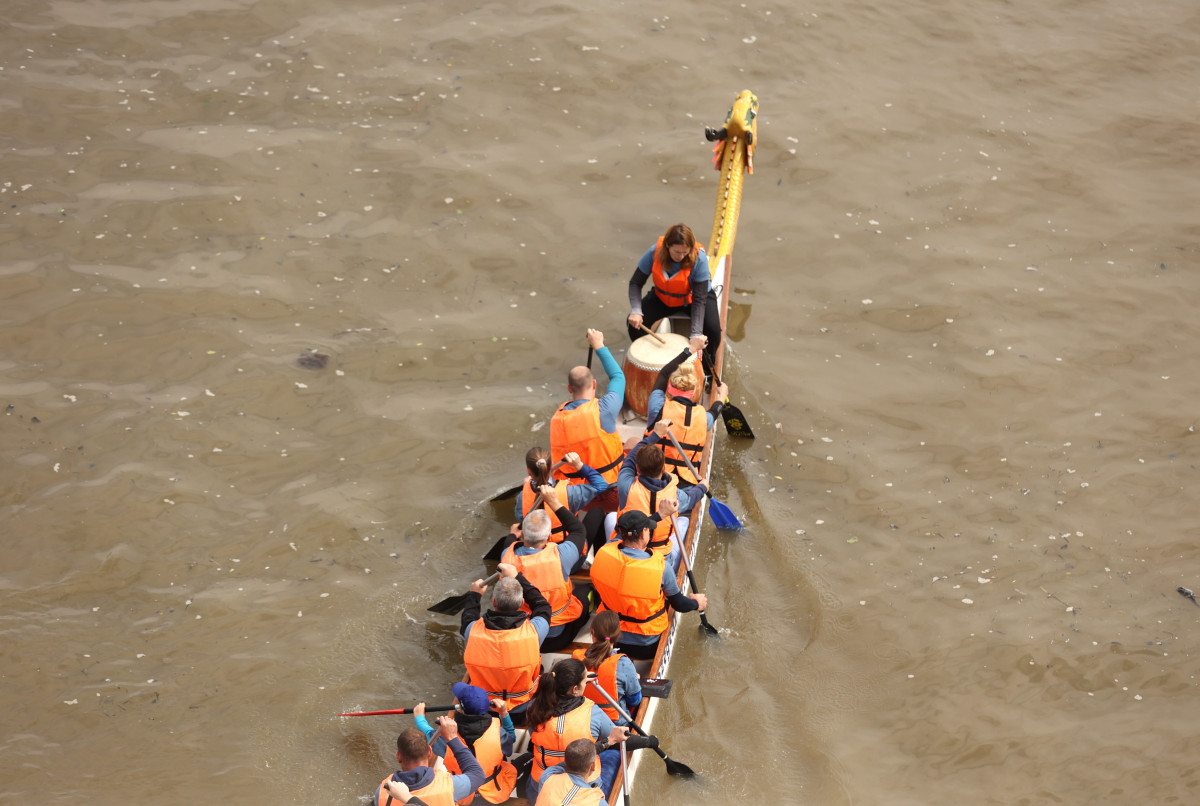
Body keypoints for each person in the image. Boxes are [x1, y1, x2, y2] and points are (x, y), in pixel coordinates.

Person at [524, 658, 653, 804]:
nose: (586, 683)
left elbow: (535, 735)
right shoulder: (592, 712)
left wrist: (582, 679)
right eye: (584, 681)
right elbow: (620, 739)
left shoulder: (534, 706)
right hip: (582, 790)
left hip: (539, 787)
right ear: (574, 689)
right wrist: (650, 742)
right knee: (615, 752)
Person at [590, 510, 709, 661]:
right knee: (664, 598)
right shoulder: (661, 567)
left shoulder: (603, 552)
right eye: (647, 529)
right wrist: (696, 603)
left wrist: (659, 514)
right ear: (642, 534)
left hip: (611, 638)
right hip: (646, 646)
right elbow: (679, 604)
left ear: (622, 532)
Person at [605, 420, 709, 571]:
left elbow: (630, 459)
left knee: (610, 517)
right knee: (684, 522)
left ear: (637, 469)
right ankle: (677, 572)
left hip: (627, 549)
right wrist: (702, 487)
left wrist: (655, 435)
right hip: (660, 558)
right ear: (664, 468)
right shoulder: (676, 496)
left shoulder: (625, 486)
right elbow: (692, 499)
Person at [460, 562, 551, 725]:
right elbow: (543, 606)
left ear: (493, 602)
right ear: (522, 601)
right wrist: (517, 577)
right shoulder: (534, 631)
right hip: (523, 709)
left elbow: (468, 617)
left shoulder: (471, 631)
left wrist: (474, 595)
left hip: (484, 708)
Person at [500, 495, 591, 653]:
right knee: (586, 591)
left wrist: (511, 535)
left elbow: (508, 544)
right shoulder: (562, 554)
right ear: (549, 537)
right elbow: (578, 529)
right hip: (558, 638)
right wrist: (554, 502)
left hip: (527, 637)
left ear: (523, 535)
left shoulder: (506, 558)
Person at [625, 223, 722, 366]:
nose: (681, 256)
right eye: (677, 252)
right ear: (667, 246)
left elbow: (699, 300)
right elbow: (635, 283)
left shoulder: (699, 259)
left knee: (713, 331)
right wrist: (636, 310)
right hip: (663, 298)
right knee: (633, 324)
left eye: (685, 252)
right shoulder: (654, 253)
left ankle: (707, 369)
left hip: (693, 299)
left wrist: (696, 333)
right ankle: (653, 362)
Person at [550, 329, 624, 512]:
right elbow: (618, 377)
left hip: (577, 497)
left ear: (569, 388)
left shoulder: (556, 419)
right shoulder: (604, 409)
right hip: (612, 493)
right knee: (632, 443)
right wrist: (598, 343)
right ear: (595, 385)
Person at [412, 684, 517, 805]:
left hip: (462, 795)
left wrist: (419, 717)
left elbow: (429, 733)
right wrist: (503, 713)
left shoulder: (445, 737)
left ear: (461, 709)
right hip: (494, 791)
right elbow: (512, 739)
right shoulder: (499, 732)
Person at [645, 347, 728, 485]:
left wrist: (690, 350)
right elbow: (715, 410)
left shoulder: (657, 405)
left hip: (654, 475)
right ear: (694, 390)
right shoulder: (704, 417)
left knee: (633, 442)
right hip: (687, 481)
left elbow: (664, 374)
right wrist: (722, 395)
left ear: (669, 387)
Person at [514, 448, 608, 556]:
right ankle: (594, 558)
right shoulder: (570, 492)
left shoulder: (523, 495)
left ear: (528, 471)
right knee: (598, 510)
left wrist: (526, 486)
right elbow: (601, 485)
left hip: (535, 555)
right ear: (551, 466)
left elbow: (521, 518)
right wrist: (579, 465)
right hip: (566, 558)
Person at [375, 719, 485, 806]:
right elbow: (477, 774)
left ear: (398, 756)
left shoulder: (381, 792)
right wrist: (452, 738)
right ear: (429, 752)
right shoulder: (450, 786)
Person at [571, 611, 642, 726]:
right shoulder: (623, 664)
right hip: (614, 724)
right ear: (618, 634)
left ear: (592, 632)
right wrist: (636, 680)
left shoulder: (576, 657)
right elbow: (635, 701)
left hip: (583, 721)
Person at [533, 738, 605, 806]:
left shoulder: (547, 776)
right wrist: (604, 743)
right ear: (592, 766)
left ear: (565, 761)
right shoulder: (598, 802)